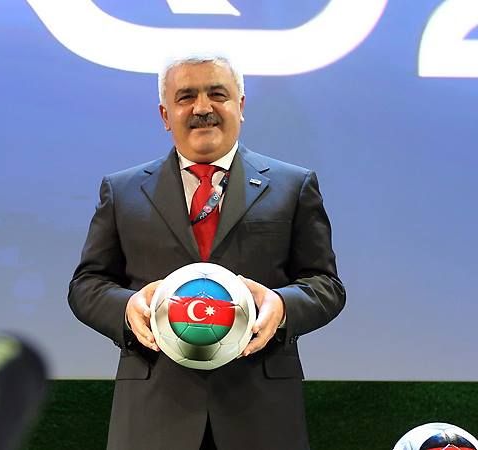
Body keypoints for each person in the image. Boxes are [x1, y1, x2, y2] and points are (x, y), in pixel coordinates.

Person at [68, 54, 345, 450]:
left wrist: (282, 306)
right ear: (165, 115)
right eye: (186, 97)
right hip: (154, 412)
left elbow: (326, 285)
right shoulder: (122, 191)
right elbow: (86, 285)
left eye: (218, 94)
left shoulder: (293, 185)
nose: (202, 108)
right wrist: (127, 308)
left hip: (260, 414)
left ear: (240, 106)